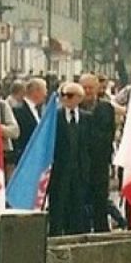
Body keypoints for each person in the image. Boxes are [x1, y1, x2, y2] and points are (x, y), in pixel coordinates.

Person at [46, 83, 93, 236]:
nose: (66, 98)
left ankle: (75, 237)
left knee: (77, 208)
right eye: (64, 95)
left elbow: (89, 147)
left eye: (70, 95)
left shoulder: (87, 118)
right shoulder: (55, 116)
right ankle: (55, 236)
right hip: (59, 172)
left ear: (79, 98)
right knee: (58, 207)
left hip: (79, 172)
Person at [80, 73, 117, 232]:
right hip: (80, 163)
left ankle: (102, 229)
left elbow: (107, 134)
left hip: (99, 163)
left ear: (97, 89)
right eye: (85, 88)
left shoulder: (105, 108)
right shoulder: (74, 108)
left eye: (91, 87)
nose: (88, 91)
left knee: (100, 201)